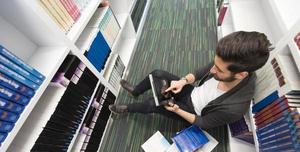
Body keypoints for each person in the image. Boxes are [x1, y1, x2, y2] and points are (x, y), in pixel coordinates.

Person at [109, 31, 272, 130]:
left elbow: (203, 123)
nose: (212, 69)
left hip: (192, 111)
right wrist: (183, 81)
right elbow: (201, 72)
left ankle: (127, 109)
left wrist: (177, 110)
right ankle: (136, 91)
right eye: (214, 64)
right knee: (157, 73)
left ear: (241, 75)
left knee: (154, 104)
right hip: (192, 92)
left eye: (219, 70)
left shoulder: (234, 108)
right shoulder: (227, 62)